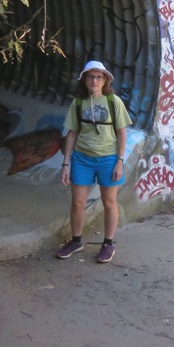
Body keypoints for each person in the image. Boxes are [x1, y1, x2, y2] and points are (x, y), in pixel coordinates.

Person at [56, 60, 132, 263]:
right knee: (78, 202)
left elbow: (122, 133)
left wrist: (120, 161)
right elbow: (71, 134)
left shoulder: (113, 101)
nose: (95, 80)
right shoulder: (78, 103)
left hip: (108, 158)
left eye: (99, 77)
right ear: (84, 80)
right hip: (82, 158)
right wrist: (65, 163)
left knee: (109, 202)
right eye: (91, 76)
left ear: (105, 80)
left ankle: (108, 244)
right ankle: (76, 240)